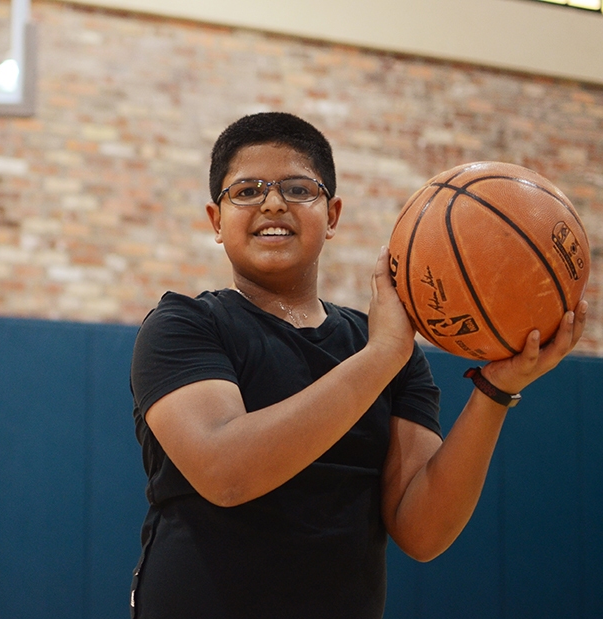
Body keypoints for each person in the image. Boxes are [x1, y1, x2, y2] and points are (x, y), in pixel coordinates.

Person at [128, 112, 587, 619]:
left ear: (333, 216)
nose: (273, 202)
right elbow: (225, 472)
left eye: (299, 188)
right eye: (247, 191)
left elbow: (422, 532)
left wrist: (495, 391)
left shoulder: (385, 350)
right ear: (217, 221)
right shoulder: (184, 324)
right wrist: (383, 355)